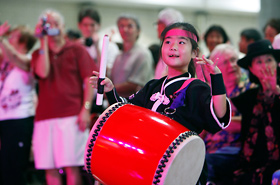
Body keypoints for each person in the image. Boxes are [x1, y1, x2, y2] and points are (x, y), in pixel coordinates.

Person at [90, 22, 232, 185]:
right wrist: (110, 89)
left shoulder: (197, 88)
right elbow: (126, 111)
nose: (173, 47)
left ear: (194, 52)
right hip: (146, 164)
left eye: (181, 42)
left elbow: (219, 115)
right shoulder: (153, 86)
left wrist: (217, 77)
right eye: (168, 42)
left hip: (180, 168)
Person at [31, 9, 97, 185]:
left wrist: (86, 108)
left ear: (62, 25)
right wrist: (43, 41)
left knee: (71, 166)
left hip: (71, 115)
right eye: (47, 23)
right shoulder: (39, 54)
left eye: (54, 23)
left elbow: (88, 80)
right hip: (44, 117)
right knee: (49, 168)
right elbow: (42, 73)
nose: (51, 26)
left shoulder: (76, 49)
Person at [231, 40, 280, 185]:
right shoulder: (248, 97)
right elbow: (225, 114)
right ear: (251, 69)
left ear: (277, 63)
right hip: (248, 165)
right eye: (259, 62)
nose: (265, 65)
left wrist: (275, 91)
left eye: (269, 60)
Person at [202, 44, 252, 185]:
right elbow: (203, 127)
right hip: (210, 149)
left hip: (234, 148)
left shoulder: (248, 89)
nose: (233, 65)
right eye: (226, 62)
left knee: (207, 163)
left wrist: (221, 121)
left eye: (235, 60)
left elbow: (249, 121)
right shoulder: (210, 92)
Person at [0, 22, 37, 185]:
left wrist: (1, 38)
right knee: (4, 168)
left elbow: (16, 57)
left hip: (20, 120)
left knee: (15, 168)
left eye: (13, 35)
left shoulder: (28, 59)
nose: (9, 37)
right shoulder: (5, 61)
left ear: (22, 41)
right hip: (5, 120)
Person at [109, 13, 154, 98]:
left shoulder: (143, 54)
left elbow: (135, 84)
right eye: (121, 26)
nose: (125, 29)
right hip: (116, 103)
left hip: (133, 106)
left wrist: (110, 88)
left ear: (138, 30)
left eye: (130, 26)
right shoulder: (118, 55)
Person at [78, 7, 119, 77]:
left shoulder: (110, 47)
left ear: (99, 26)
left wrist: (97, 48)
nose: (89, 28)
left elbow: (107, 75)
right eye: (85, 25)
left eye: (92, 25)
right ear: (79, 25)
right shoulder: (76, 46)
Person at [154, 8, 184, 79]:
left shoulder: (173, 50)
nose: (157, 28)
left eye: (158, 24)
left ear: (165, 25)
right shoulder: (167, 48)